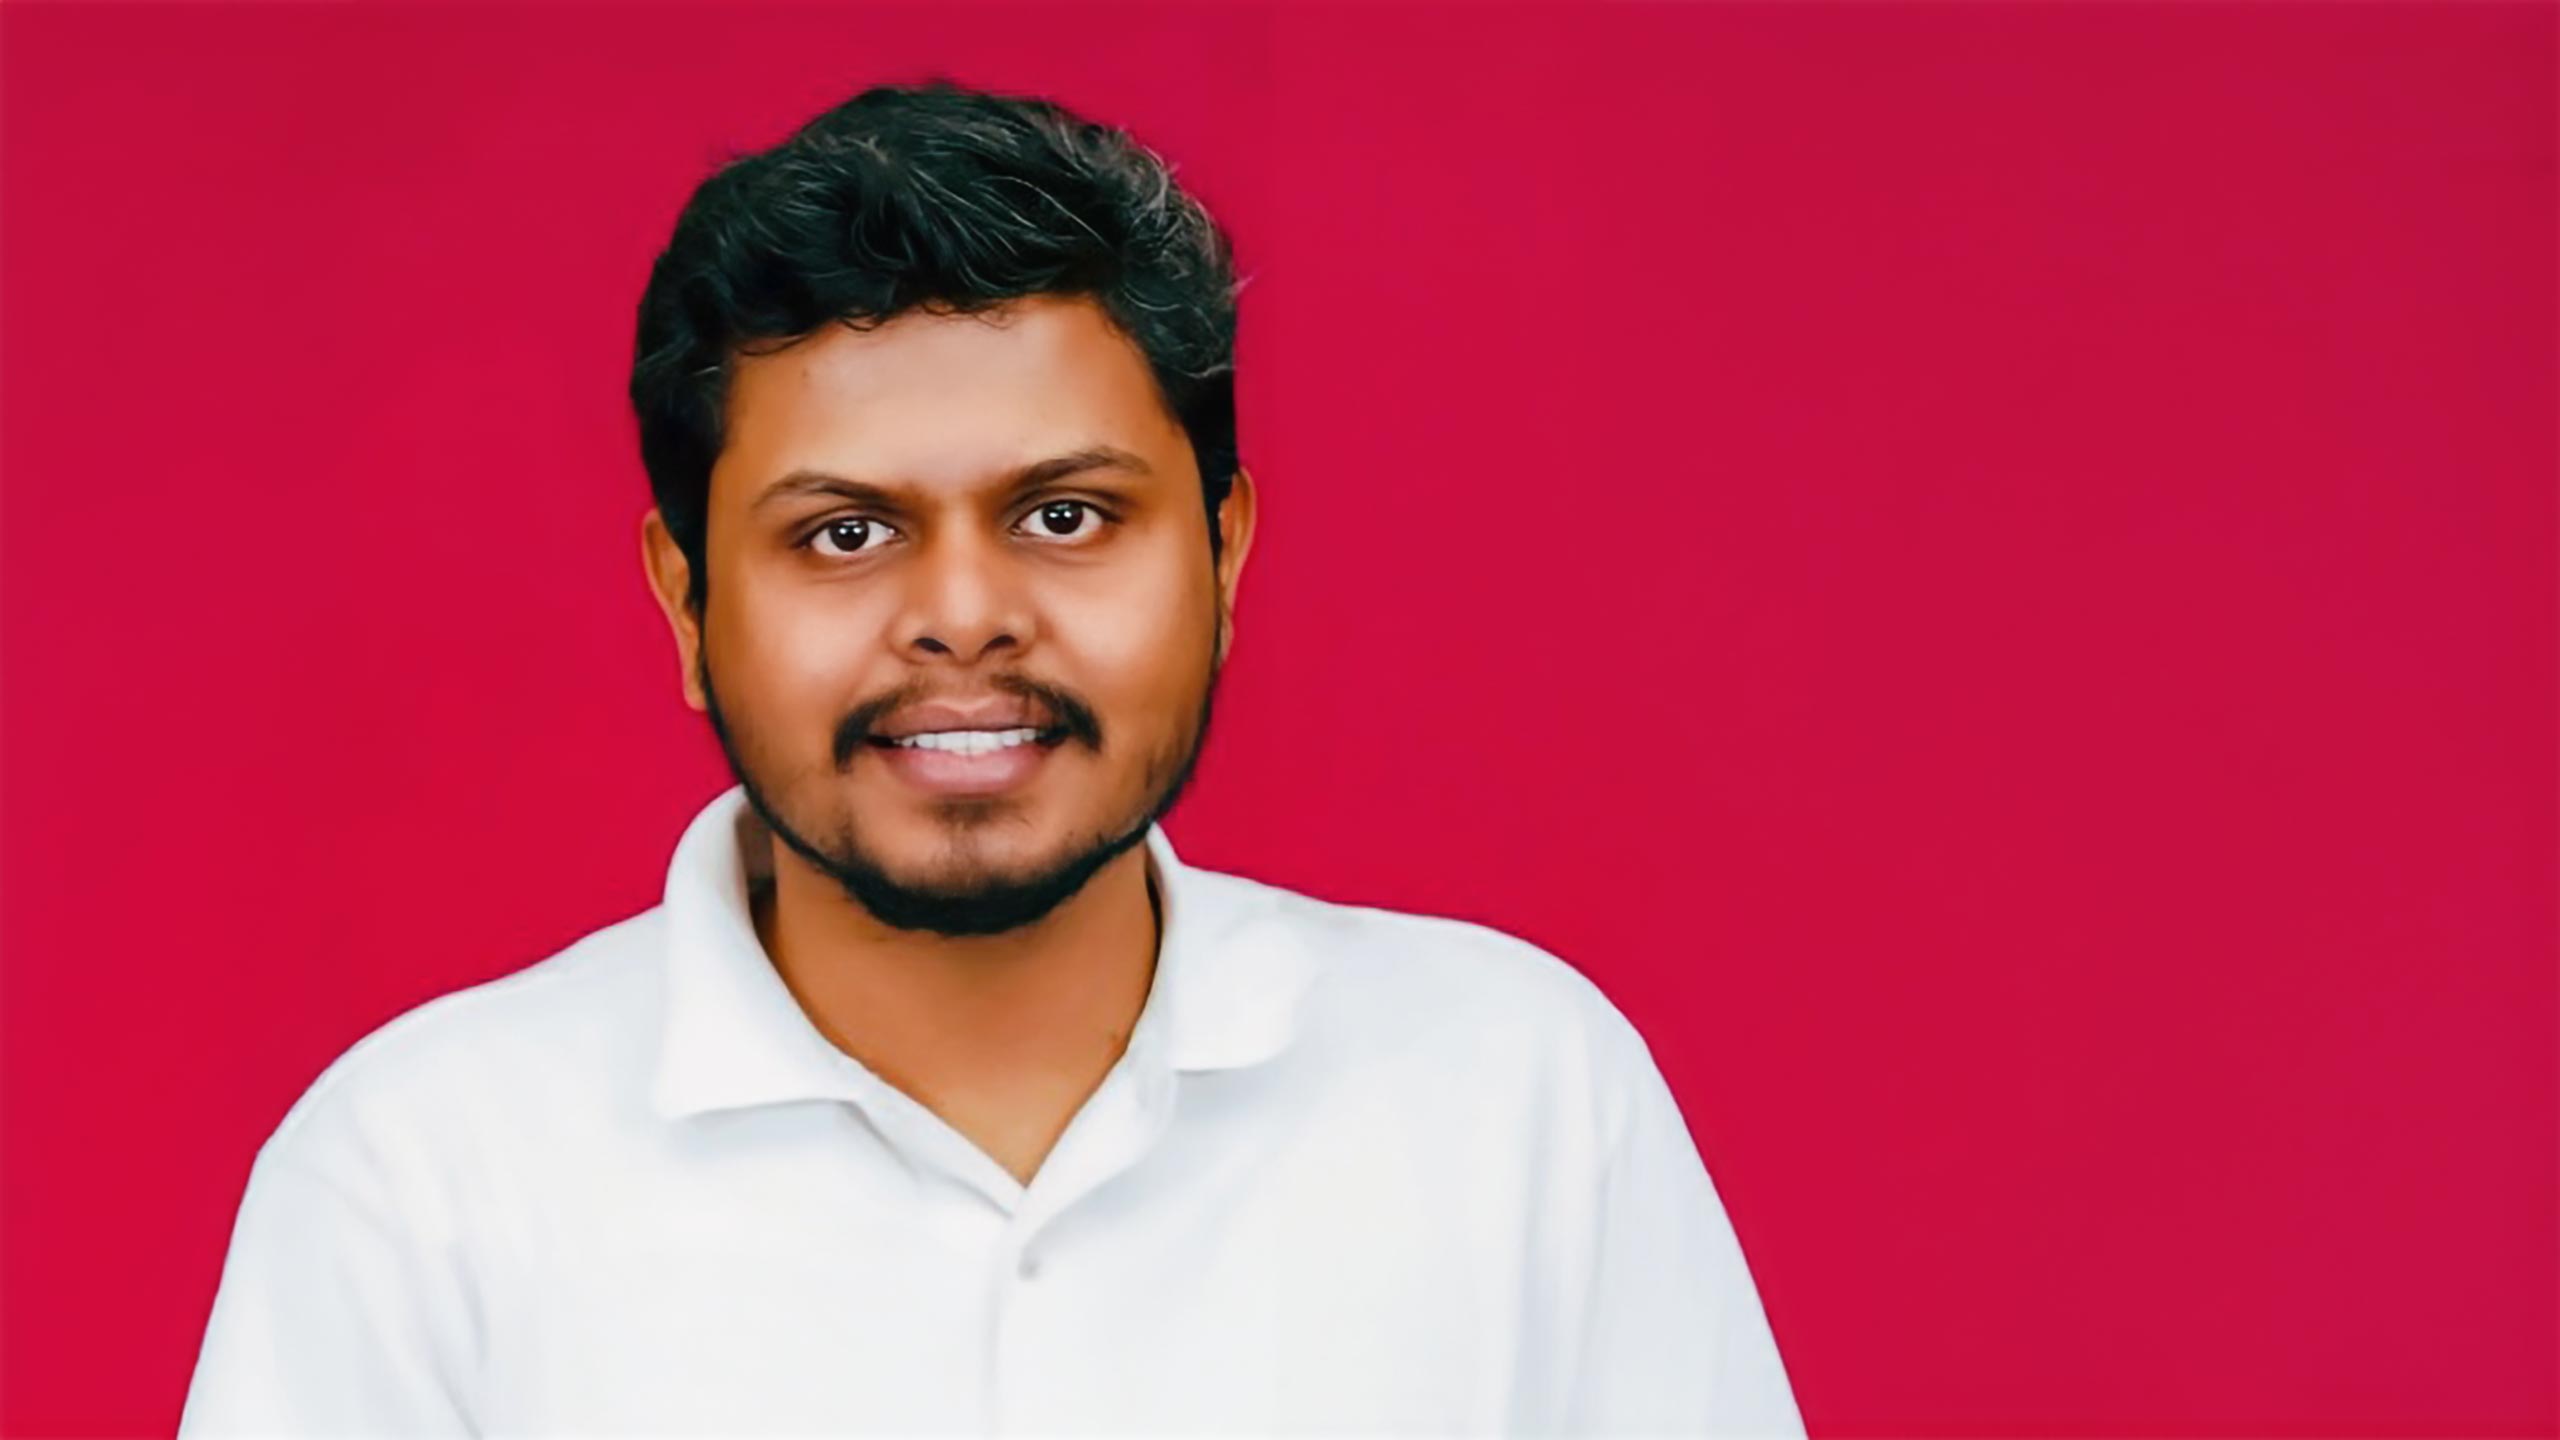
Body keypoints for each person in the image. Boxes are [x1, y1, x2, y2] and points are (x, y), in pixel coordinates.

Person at [178, 78, 1806, 1437]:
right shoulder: (419, 1183)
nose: (964, 619)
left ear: (1225, 556)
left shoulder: (1517, 1102)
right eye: (844, 532)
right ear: (686, 602)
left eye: (1066, 515)